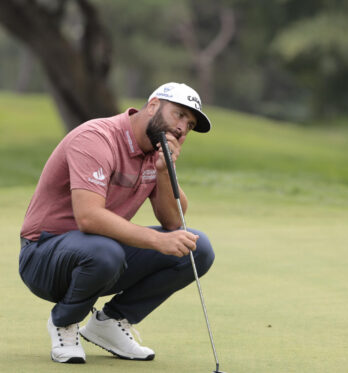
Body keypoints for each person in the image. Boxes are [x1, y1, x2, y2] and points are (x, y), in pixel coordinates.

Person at [18, 82, 216, 364]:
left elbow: (174, 221)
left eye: (191, 124)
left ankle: (110, 322)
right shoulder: (97, 137)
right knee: (105, 252)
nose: (184, 128)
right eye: (179, 115)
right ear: (153, 105)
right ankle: (64, 323)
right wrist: (157, 240)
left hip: (99, 254)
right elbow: (89, 217)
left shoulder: (155, 153)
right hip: (44, 255)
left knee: (197, 248)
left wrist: (163, 171)